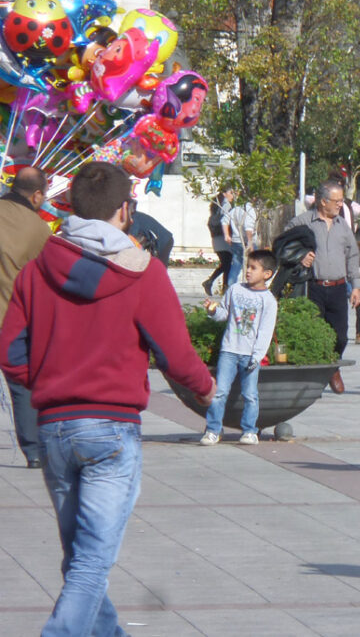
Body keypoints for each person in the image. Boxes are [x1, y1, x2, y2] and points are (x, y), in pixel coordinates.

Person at [0, 161, 215, 636]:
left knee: (80, 559)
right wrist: (205, 389)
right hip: (112, 432)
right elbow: (176, 356)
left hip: (55, 427)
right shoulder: (143, 272)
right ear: (124, 209)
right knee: (90, 564)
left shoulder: (38, 272)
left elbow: (11, 352)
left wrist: (48, 381)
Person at [286, 180, 360, 394]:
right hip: (313, 287)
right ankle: (318, 376)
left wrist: (355, 286)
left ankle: (332, 367)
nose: (340, 205)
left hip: (338, 287)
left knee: (341, 336)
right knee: (315, 332)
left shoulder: (342, 225)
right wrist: (300, 256)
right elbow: (283, 245)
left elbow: (352, 254)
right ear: (322, 201)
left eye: (341, 201)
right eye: (336, 201)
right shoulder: (302, 222)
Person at [200, 249, 278, 446]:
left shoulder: (268, 300)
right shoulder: (235, 289)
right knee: (220, 392)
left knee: (250, 394)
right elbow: (224, 314)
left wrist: (257, 356)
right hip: (229, 350)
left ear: (267, 274)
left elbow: (266, 330)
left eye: (254, 268)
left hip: (250, 354)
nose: (248, 271)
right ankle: (213, 430)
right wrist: (213, 311)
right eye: (248, 267)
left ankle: (250, 430)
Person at [0, 166, 50, 468]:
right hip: (12, 321)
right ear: (37, 195)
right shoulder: (39, 230)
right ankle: (32, 451)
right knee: (21, 386)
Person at [202, 186, 234, 296]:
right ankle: (213, 283)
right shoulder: (226, 205)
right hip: (223, 238)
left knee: (226, 264)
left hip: (216, 239)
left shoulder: (216, 204)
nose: (233, 195)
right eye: (231, 192)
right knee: (227, 264)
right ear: (225, 194)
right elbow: (226, 221)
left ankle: (220, 286)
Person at [222, 189, 255, 286]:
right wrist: (250, 242)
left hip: (236, 240)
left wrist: (226, 235)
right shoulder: (249, 209)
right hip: (245, 241)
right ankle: (251, 287)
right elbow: (248, 227)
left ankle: (230, 286)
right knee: (254, 266)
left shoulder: (235, 209)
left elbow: (224, 221)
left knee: (235, 266)